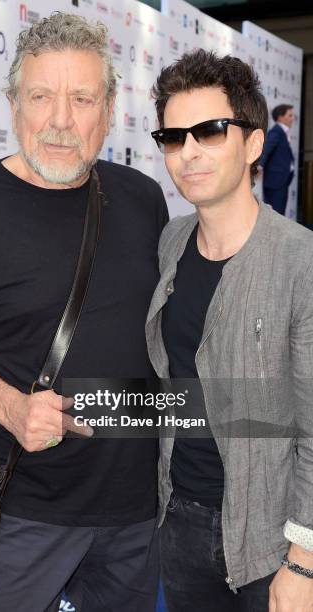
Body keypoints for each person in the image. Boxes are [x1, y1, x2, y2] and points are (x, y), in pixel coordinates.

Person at [0, 13, 168, 612]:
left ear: (109, 109)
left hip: (136, 511)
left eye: (81, 99)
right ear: (14, 106)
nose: (61, 121)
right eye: (41, 97)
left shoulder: (142, 198)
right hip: (25, 507)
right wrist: (10, 406)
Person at [147, 49, 313, 612]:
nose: (188, 152)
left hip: (270, 539)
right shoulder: (170, 243)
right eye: (173, 137)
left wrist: (302, 562)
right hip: (181, 523)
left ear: (253, 143)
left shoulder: (300, 261)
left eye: (210, 131)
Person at [259, 104, 295, 215]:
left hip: (280, 181)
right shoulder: (277, 131)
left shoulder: (282, 132)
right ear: (280, 117)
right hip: (275, 182)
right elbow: (266, 148)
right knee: (276, 215)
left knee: (278, 215)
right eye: (290, 115)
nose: (293, 118)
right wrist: (259, 165)